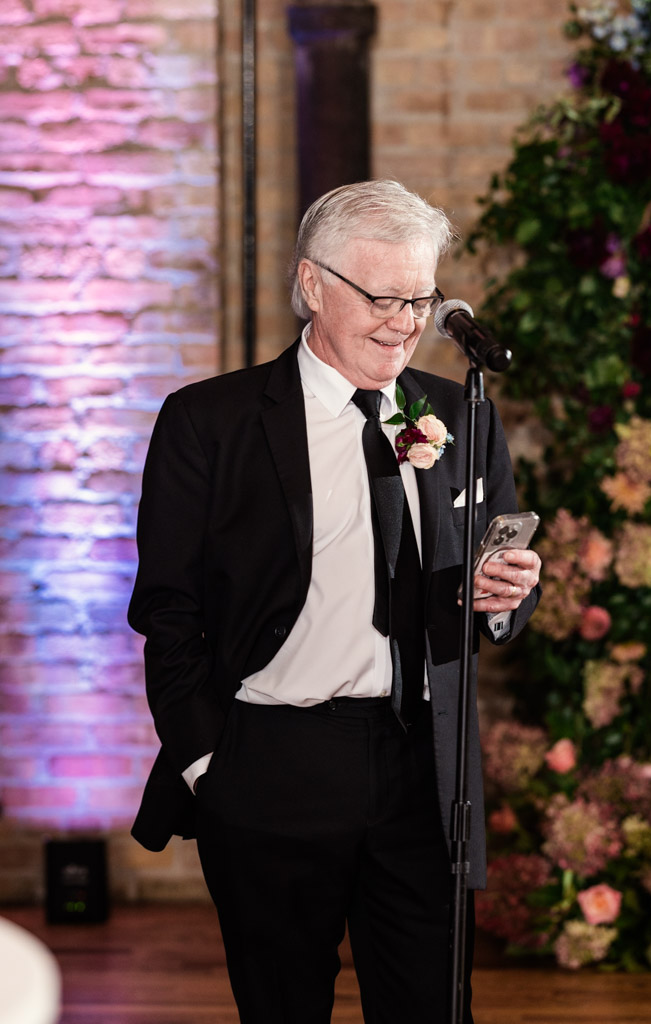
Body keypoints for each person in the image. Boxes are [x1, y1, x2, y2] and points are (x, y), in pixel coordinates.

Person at [128, 179, 542, 1024]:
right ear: (312, 285)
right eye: (381, 296)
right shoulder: (209, 422)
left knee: (429, 1007)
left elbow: (487, 596)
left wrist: (502, 597)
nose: (404, 321)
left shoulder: (459, 415)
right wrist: (212, 764)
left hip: (423, 770)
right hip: (270, 759)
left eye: (421, 298)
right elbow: (167, 612)